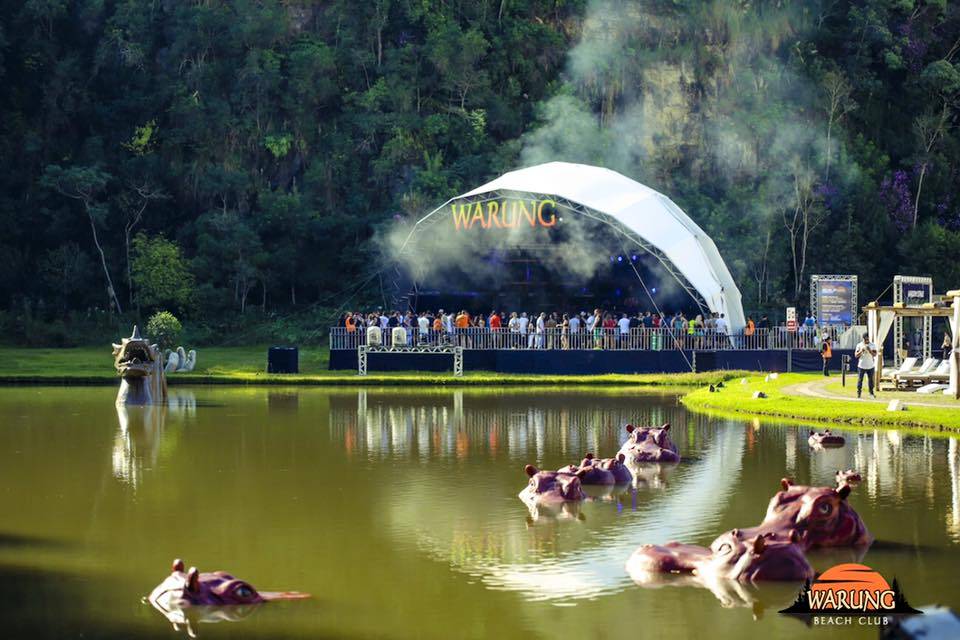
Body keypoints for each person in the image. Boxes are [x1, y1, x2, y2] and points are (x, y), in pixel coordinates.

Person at [855, 333, 878, 399]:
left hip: (870, 365)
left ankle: (871, 393)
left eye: (868, 339)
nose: (867, 341)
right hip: (861, 365)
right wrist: (861, 351)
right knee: (860, 380)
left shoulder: (872, 345)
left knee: (871, 381)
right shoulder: (859, 345)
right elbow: (856, 355)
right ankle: (859, 393)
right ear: (863, 339)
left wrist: (869, 350)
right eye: (865, 339)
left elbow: (875, 354)